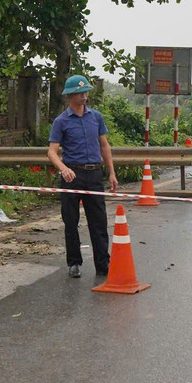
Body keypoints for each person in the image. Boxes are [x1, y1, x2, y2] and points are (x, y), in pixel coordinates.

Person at [47, 74, 118, 279]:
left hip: (94, 173)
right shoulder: (61, 121)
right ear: (71, 95)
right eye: (80, 92)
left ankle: (103, 264)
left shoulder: (95, 117)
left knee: (99, 221)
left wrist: (111, 172)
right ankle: (74, 262)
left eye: (86, 91)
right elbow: (52, 152)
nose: (84, 95)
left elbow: (104, 145)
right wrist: (63, 168)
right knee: (71, 220)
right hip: (72, 175)